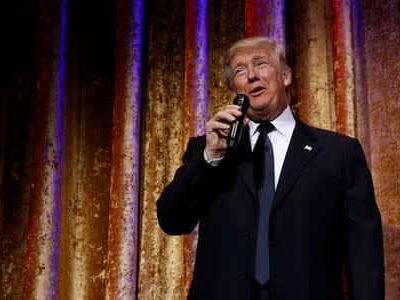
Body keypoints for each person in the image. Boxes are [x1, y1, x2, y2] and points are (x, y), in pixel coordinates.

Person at [157, 36, 384, 300]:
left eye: (260, 63)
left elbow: (363, 252)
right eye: (240, 71)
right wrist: (211, 156)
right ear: (234, 92)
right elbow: (171, 220)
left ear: (285, 76)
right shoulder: (208, 149)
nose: (252, 75)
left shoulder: (338, 153)